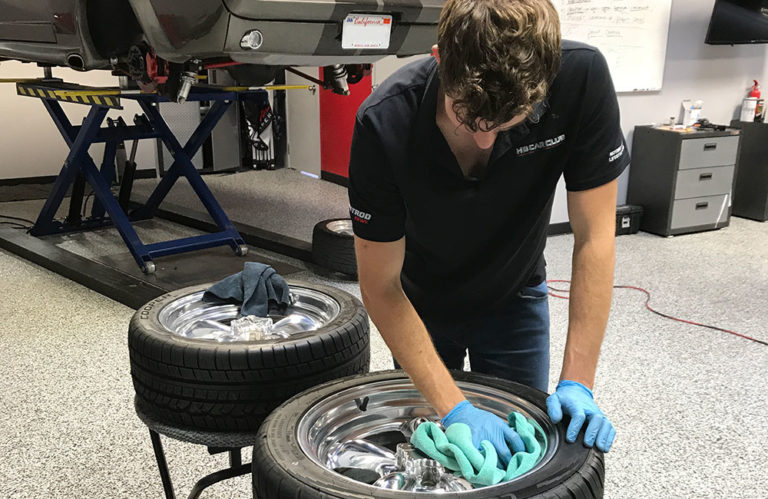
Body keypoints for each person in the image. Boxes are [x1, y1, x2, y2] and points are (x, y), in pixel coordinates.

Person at [348, 0, 628, 466]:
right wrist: (454, 406)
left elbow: (595, 237)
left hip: (514, 295)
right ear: (439, 60)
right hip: (419, 302)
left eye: (507, 123)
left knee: (525, 452)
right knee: (436, 453)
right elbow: (379, 285)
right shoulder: (384, 122)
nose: (483, 139)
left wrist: (578, 380)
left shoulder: (581, 79)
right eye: (466, 117)